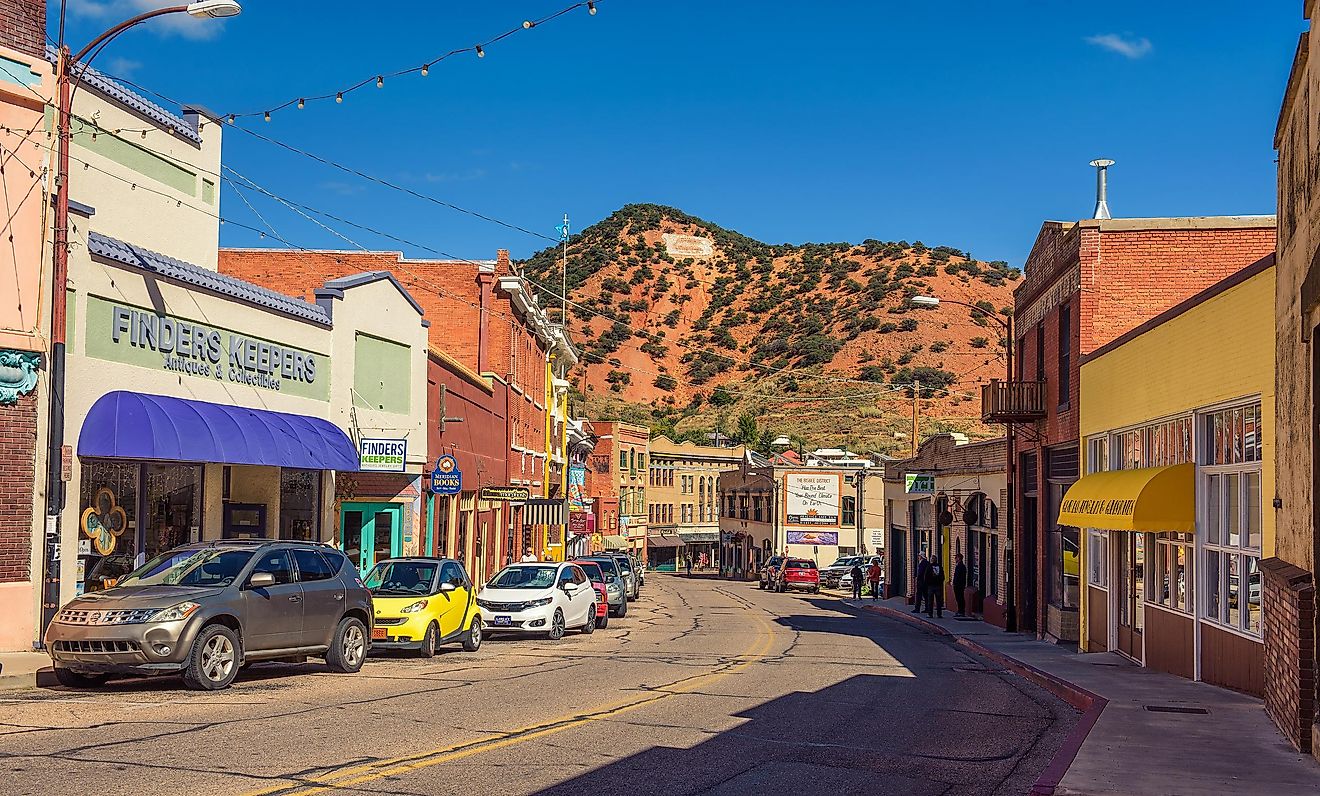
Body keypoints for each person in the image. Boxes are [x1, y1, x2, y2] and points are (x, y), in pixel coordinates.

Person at [952, 553, 968, 617]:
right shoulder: (958, 565)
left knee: (960, 598)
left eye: (956, 557)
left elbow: (960, 576)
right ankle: (959, 611)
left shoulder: (961, 566)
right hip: (957, 585)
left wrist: (957, 583)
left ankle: (961, 611)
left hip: (959, 585)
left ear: (959, 558)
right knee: (958, 598)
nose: (955, 559)